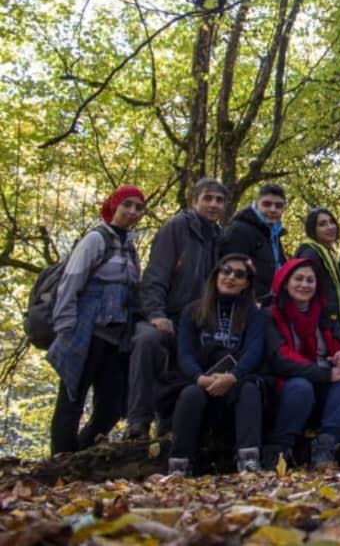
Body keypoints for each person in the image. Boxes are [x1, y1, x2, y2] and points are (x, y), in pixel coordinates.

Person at [126, 178, 228, 440]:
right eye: (208, 198)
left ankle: (171, 429)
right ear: (195, 201)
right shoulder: (178, 227)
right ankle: (138, 423)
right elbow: (156, 275)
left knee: (193, 362)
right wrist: (156, 314)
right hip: (166, 312)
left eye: (219, 200)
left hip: (196, 319)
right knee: (148, 341)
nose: (213, 204)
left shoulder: (219, 237)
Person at [48, 186, 146, 455]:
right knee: (71, 400)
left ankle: (80, 455)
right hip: (84, 331)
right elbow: (71, 282)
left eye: (139, 208)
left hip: (115, 339)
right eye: (128, 205)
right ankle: (60, 463)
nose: (133, 212)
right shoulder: (95, 239)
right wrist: (65, 326)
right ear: (113, 206)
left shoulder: (129, 247)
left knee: (112, 406)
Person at [168, 253, 267, 476]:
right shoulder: (192, 311)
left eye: (239, 275)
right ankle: (179, 464)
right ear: (216, 275)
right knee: (190, 395)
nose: (231, 277)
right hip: (202, 380)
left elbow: (254, 350)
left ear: (246, 283)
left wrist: (233, 376)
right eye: (226, 271)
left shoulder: (254, 313)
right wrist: (199, 378)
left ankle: (249, 460)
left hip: (237, 380)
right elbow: (185, 353)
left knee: (250, 390)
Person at [263, 258, 340, 469]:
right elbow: (279, 359)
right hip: (285, 391)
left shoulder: (323, 314)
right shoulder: (271, 316)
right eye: (298, 279)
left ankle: (326, 445)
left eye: (310, 280)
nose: (304, 285)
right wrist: (324, 374)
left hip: (322, 388)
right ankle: (280, 450)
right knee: (301, 386)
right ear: (286, 283)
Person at [220, 183, 288, 305]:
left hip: (269, 304)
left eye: (278, 206)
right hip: (247, 305)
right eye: (267, 204)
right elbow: (231, 271)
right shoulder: (240, 230)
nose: (273, 209)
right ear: (256, 204)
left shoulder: (274, 234)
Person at [294, 209, 340, 328]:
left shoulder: (328, 253)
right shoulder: (310, 254)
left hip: (331, 320)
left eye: (331, 222)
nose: (330, 227)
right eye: (322, 224)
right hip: (319, 324)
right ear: (313, 230)